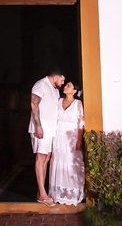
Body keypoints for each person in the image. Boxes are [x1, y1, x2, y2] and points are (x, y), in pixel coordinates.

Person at [29, 69, 64, 205]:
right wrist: (38, 126)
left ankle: (40, 193)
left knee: (46, 158)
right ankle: (43, 194)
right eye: (62, 80)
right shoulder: (41, 85)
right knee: (41, 157)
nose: (62, 83)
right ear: (55, 77)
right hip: (41, 128)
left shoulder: (55, 90)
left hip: (50, 130)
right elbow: (34, 104)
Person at [49, 80, 85, 205]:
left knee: (70, 164)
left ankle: (70, 194)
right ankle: (58, 193)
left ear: (74, 91)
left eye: (69, 86)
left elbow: (81, 123)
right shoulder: (58, 101)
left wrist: (79, 140)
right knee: (59, 162)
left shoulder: (77, 104)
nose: (65, 86)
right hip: (59, 137)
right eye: (66, 85)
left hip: (71, 137)